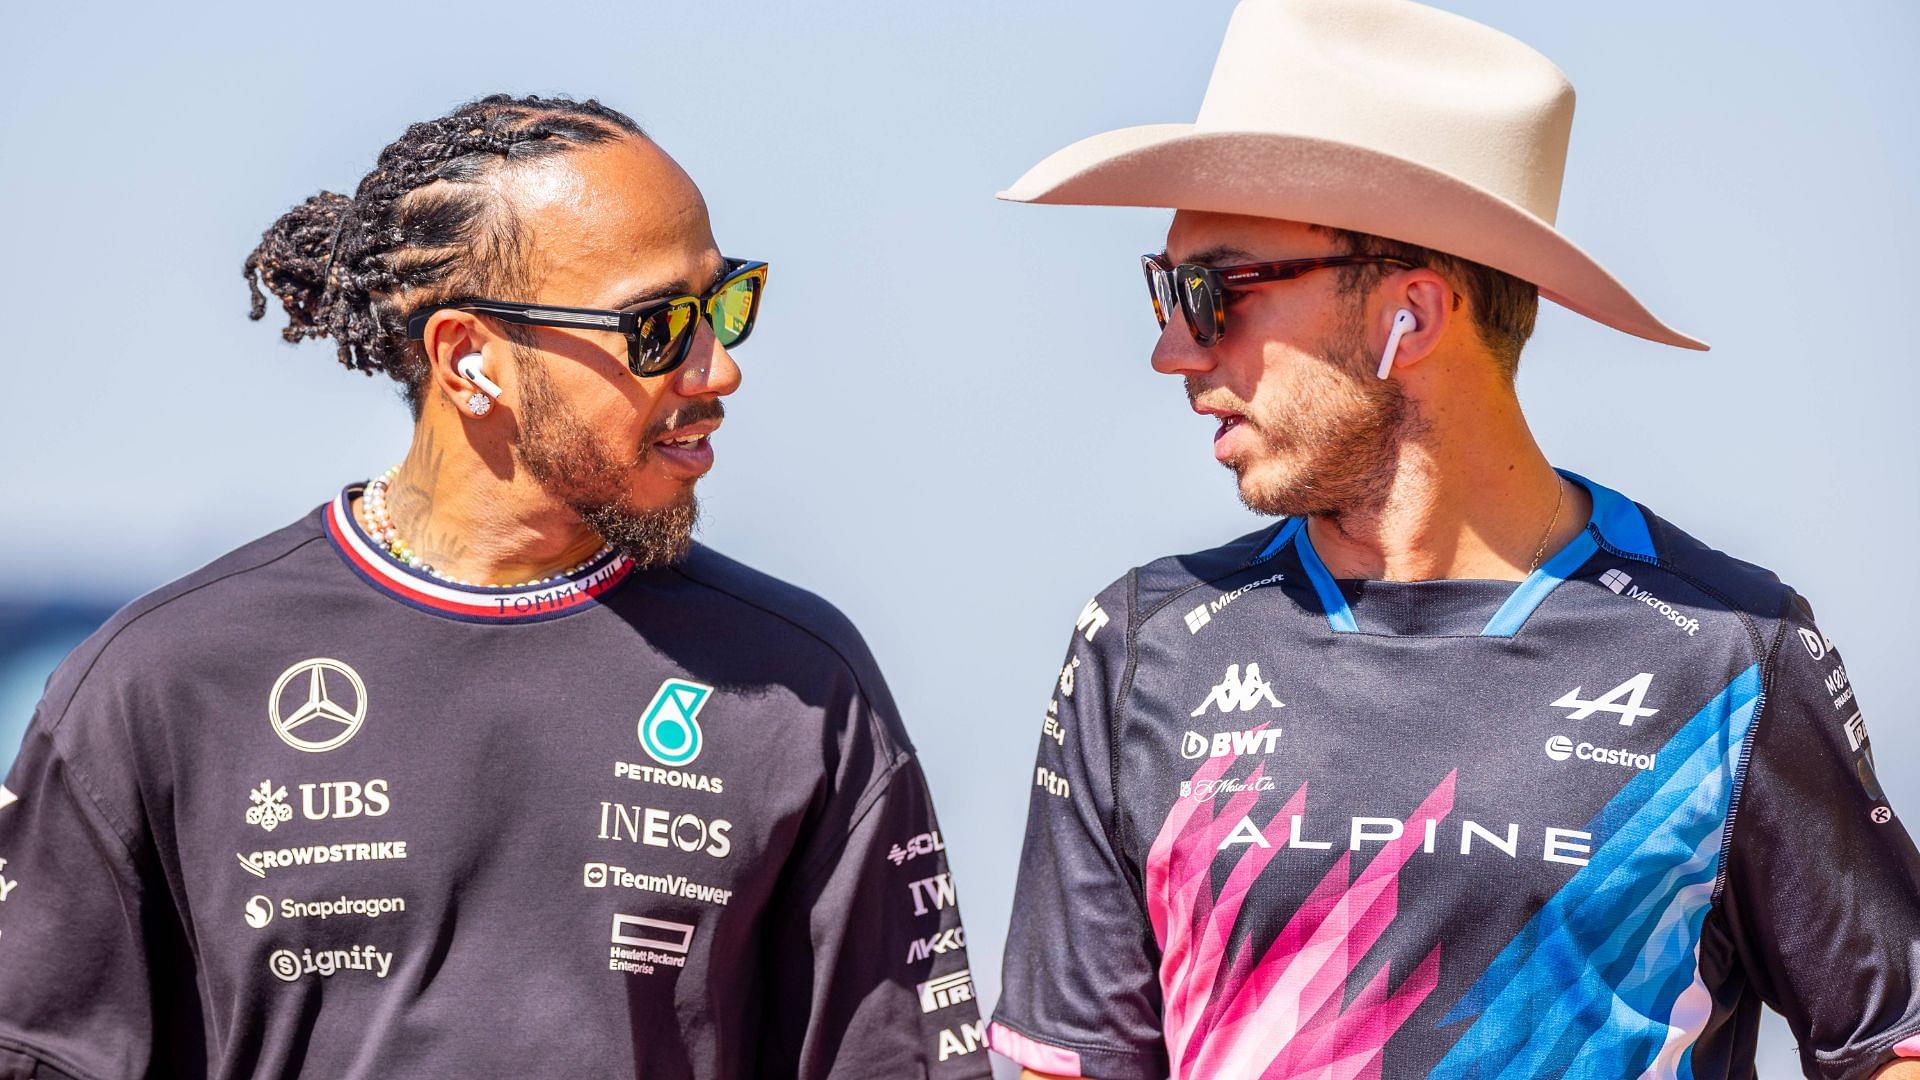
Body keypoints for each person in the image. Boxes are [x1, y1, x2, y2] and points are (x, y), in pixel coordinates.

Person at [983, 2, 1920, 1078]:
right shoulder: (1142, 646)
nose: (1172, 351)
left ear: (1410, 318)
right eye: (1166, 289)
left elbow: (1893, 1042)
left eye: (1212, 294)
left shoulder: (1724, 651)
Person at [0, 94, 988, 1078]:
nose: (717, 369)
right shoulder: (160, 682)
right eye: (660, 326)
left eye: (726, 303)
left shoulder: (798, 686)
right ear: (468, 359)